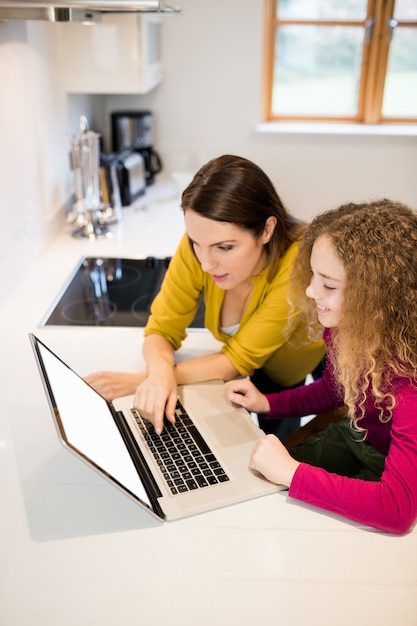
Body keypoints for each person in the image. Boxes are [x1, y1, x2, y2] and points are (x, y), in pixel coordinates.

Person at [85, 154, 325, 437]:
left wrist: (142, 381)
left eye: (224, 247)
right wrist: (160, 373)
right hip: (260, 367)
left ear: (267, 230)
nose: (206, 263)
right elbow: (161, 329)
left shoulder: (297, 266)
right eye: (196, 242)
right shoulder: (198, 248)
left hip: (307, 358)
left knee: (297, 434)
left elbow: (237, 360)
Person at [226, 199, 417, 534]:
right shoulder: (346, 327)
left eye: (329, 285)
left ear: (374, 296)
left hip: (395, 470)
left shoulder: (408, 383)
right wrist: (269, 403)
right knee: (253, 486)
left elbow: (396, 510)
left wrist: (292, 473)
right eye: (313, 275)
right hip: (360, 437)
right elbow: (335, 387)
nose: (311, 290)